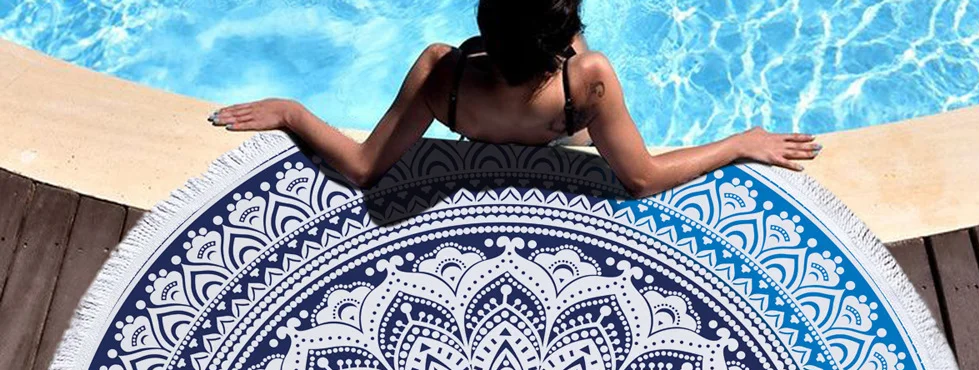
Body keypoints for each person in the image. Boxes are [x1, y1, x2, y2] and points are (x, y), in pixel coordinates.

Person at [208, 0, 821, 198]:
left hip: (479, 111)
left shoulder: (441, 71)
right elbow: (641, 178)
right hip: (563, 124)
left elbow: (364, 167)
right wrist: (740, 142)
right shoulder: (589, 77)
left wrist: (292, 112)